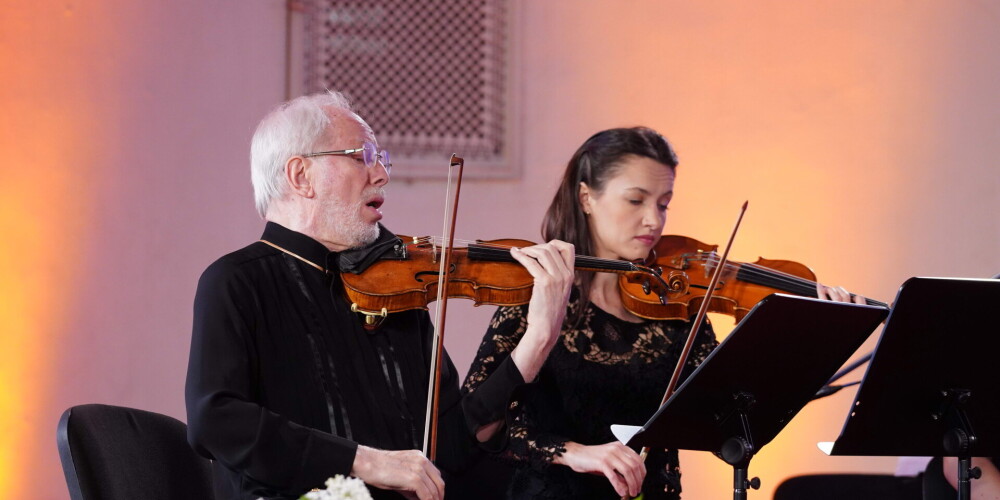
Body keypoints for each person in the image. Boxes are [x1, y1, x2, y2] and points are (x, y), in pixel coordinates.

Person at [184, 91, 573, 500]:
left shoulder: (396, 294)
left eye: (380, 159)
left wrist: (539, 338)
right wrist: (364, 461)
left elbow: (454, 447)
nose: (381, 175)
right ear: (301, 176)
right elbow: (216, 420)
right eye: (362, 157)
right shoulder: (235, 281)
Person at [462, 127, 866, 500]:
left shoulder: (678, 303)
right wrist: (576, 452)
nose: (653, 220)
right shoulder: (538, 293)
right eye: (636, 200)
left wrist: (815, 337)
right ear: (587, 197)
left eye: (664, 204)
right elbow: (478, 426)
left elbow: (733, 425)